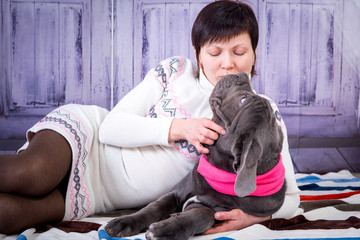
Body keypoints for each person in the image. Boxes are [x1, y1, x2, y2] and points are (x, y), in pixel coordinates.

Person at [0, 0, 301, 235]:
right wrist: (180, 128)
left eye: (239, 51)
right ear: (198, 54)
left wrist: (255, 215)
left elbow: (291, 196)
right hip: (86, 141)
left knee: (9, 215)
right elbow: (110, 128)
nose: (228, 63)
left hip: (99, 196)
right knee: (31, 174)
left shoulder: (260, 113)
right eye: (215, 52)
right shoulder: (175, 71)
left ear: (254, 53)